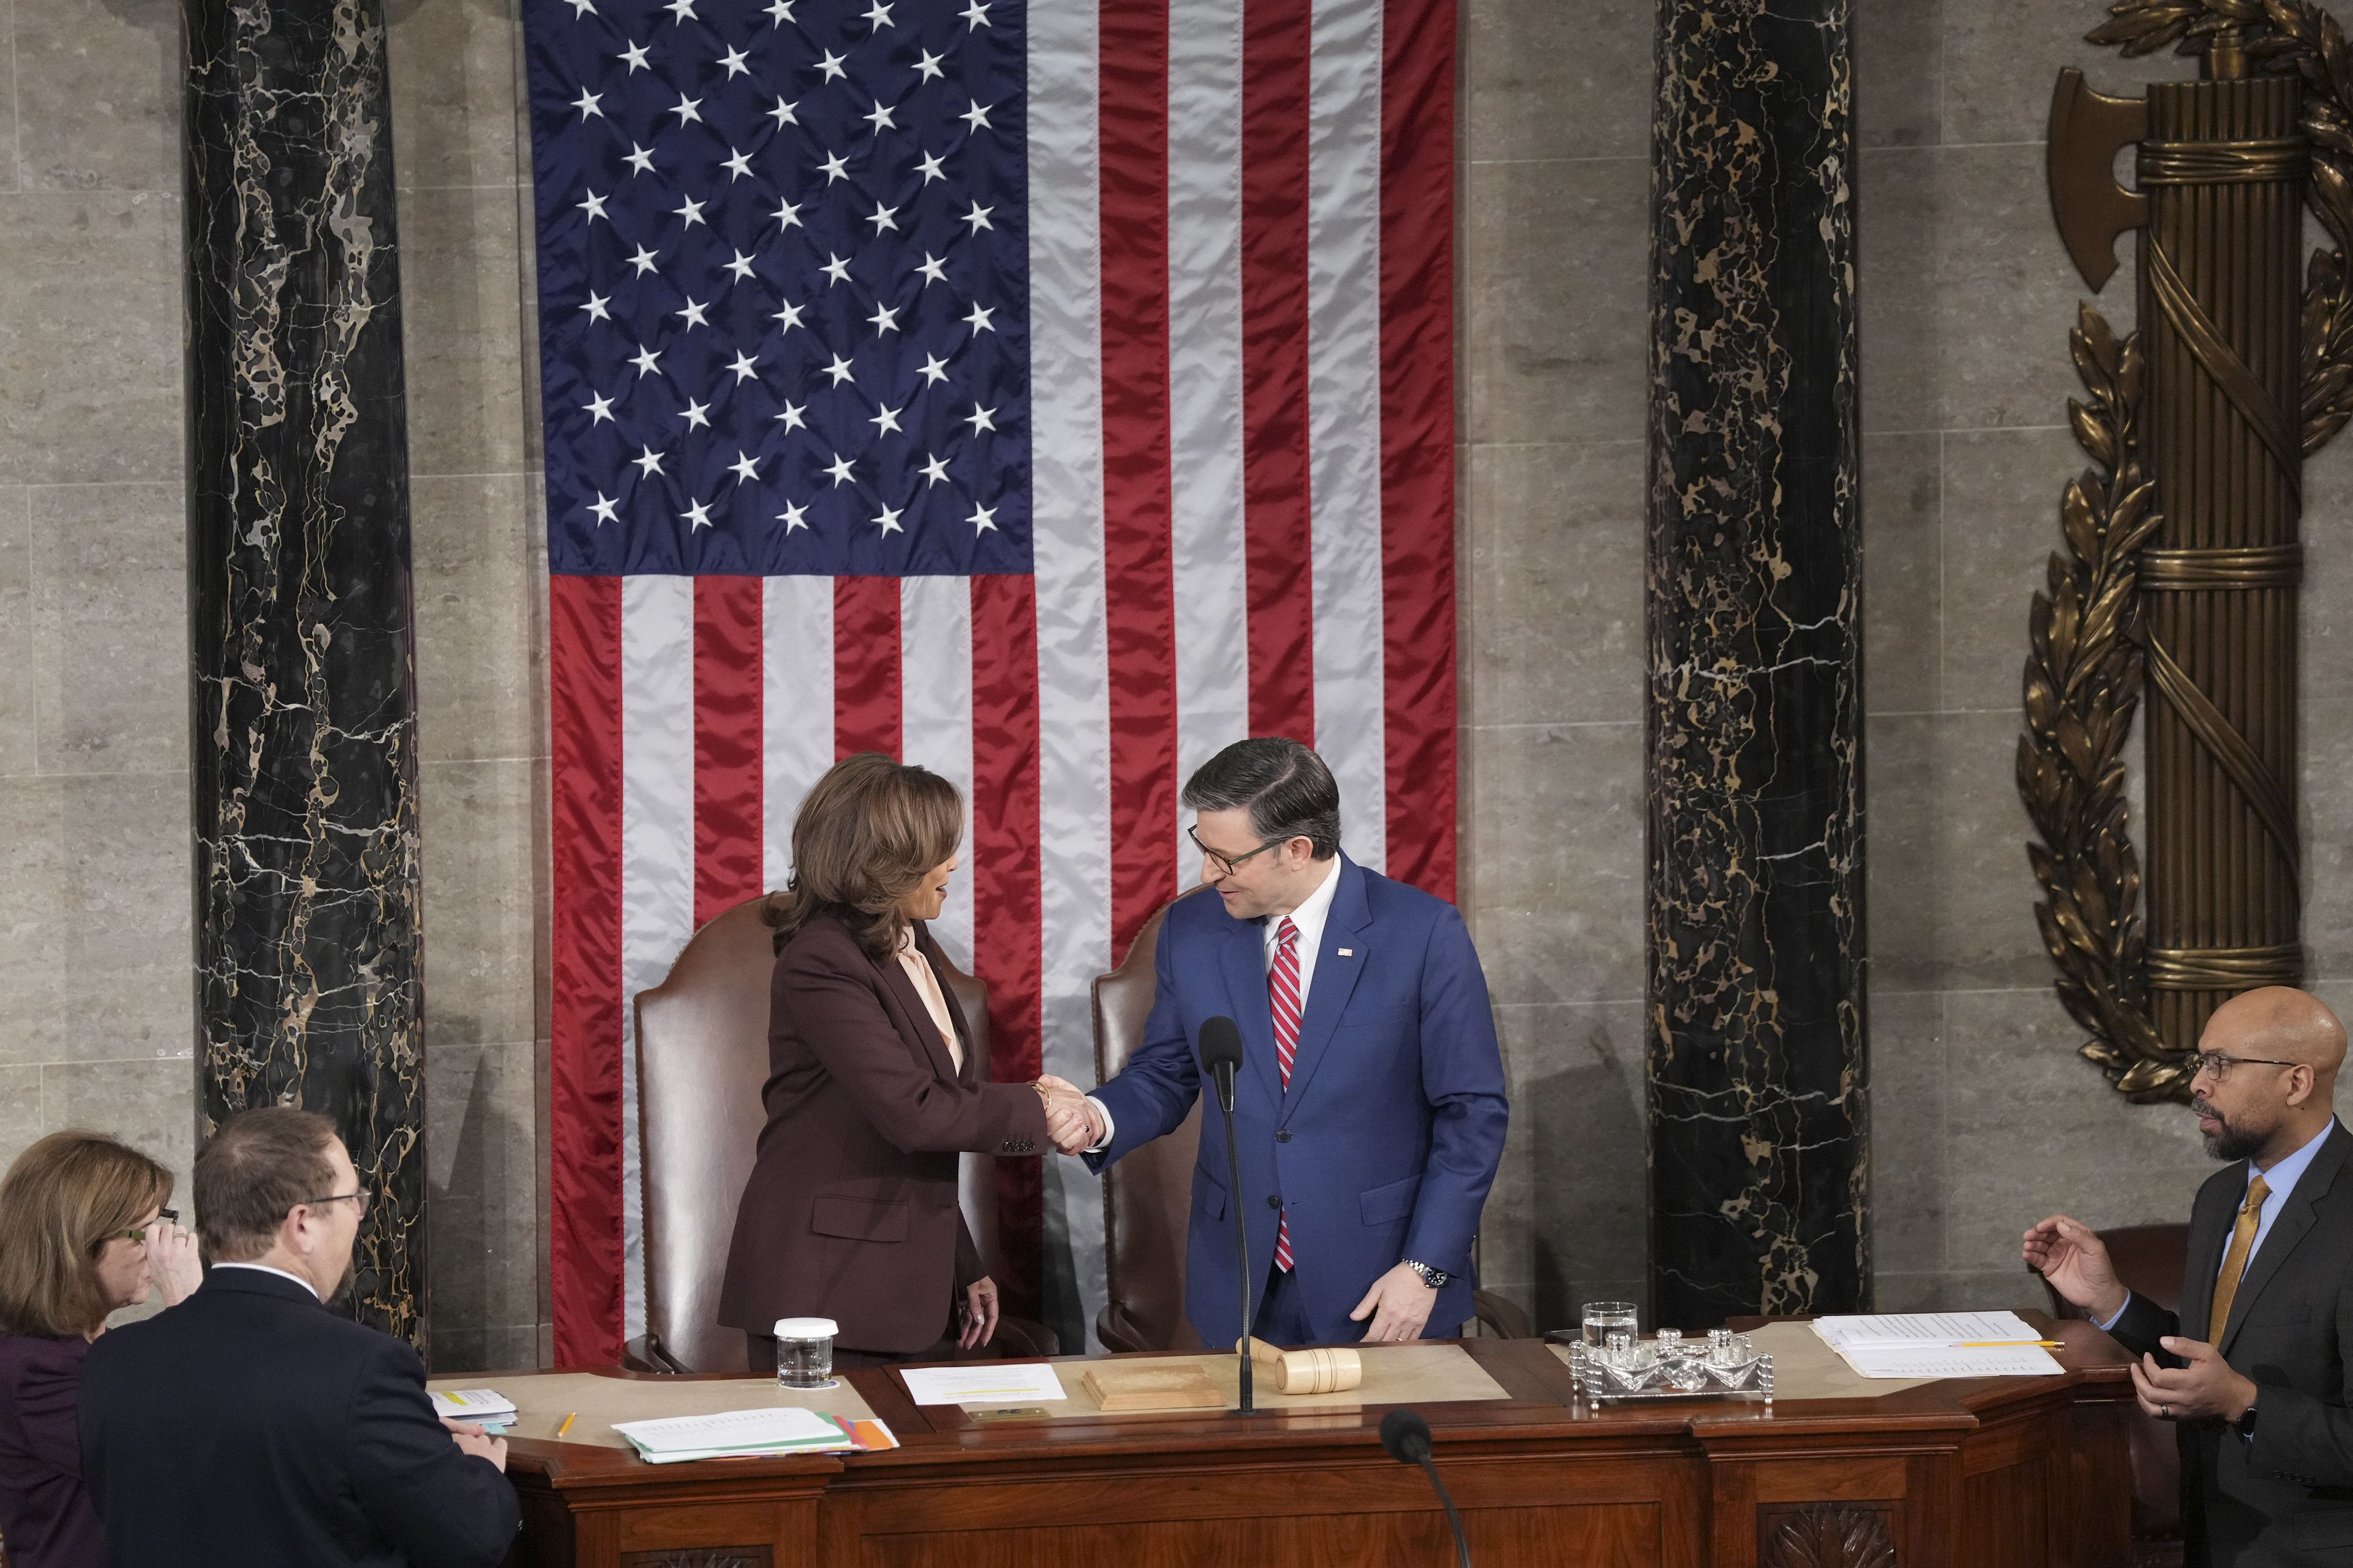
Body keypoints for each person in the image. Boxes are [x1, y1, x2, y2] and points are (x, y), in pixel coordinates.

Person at [1042, 737, 1509, 1348]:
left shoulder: (1421, 934)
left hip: (1383, 1287)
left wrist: (1425, 1269)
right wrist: (1095, 1116)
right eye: (1202, 848)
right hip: (1239, 1286)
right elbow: (1166, 1070)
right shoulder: (1192, 930)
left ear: (1296, 849)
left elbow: (1472, 1114)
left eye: (1226, 858)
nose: (1208, 874)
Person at [718, 752, 1054, 1368]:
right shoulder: (822, 961)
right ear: (882, 861)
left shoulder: (908, 943)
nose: (953, 863)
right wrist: (1045, 1110)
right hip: (825, 1291)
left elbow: (914, 1133)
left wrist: (962, 1262)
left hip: (902, 1282)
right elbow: (915, 1113)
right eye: (937, 850)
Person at [78, 1108, 518, 1568]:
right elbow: (473, 1534)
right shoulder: (363, 1368)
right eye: (353, 1199)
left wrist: (402, 1432)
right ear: (302, 1223)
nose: (361, 1215)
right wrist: (480, 1469)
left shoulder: (113, 1358)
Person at [2025, 986, 2353, 1566]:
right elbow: (2209, 1361)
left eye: (2221, 1065)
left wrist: (2244, 1404)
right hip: (2212, 1540)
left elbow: (2232, 1391)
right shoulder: (2220, 1195)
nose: (2198, 1083)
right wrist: (2110, 1301)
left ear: (2297, 1083)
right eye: (2200, 1061)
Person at [0, 1132, 201, 1568]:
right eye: (144, 1232)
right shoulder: (33, 1368)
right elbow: (174, 1463)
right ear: (79, 1245)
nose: (158, 1246)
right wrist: (189, 1308)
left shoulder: (97, 1349)